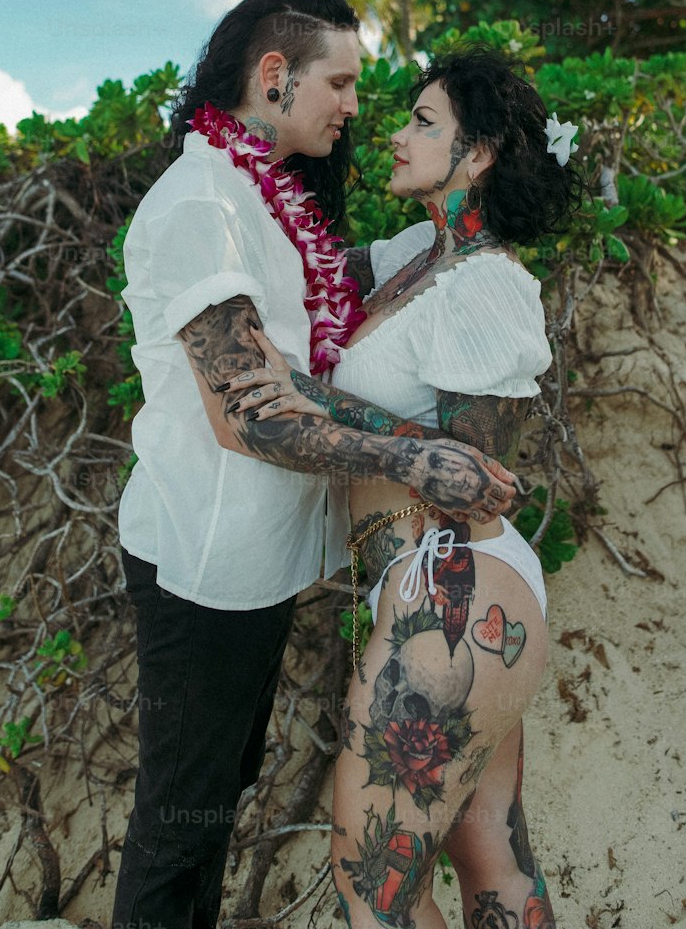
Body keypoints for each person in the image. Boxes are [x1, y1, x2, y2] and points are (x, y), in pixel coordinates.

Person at [111, 0, 519, 929]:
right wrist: (418, 462)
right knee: (179, 820)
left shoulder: (262, 197)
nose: (350, 105)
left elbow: (338, 288)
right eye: (338, 81)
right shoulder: (199, 204)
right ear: (273, 75)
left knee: (217, 792)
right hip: (205, 566)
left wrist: (468, 220)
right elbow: (246, 417)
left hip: (260, 564)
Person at [224, 47, 585, 929]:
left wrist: (314, 397)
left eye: (424, 123)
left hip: (452, 592)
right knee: (491, 852)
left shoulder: (489, 282)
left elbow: (473, 478)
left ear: (481, 153)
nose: (397, 133)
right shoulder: (416, 254)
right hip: (427, 599)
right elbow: (294, 272)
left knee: (374, 890)